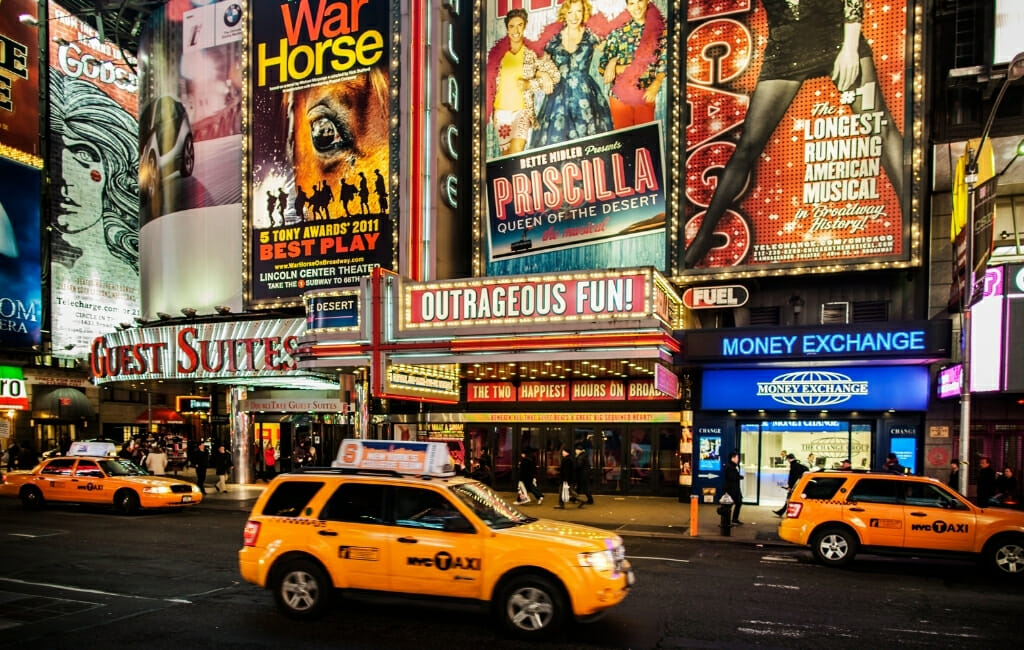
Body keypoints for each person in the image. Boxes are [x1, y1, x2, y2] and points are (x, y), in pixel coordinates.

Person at [683, 0, 905, 268]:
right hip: (787, 49)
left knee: (881, 128)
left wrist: (849, 47)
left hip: (836, 36)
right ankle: (703, 236)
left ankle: (911, 215)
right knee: (747, 146)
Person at [530, 0, 613, 149]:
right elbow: (534, 66)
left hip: (585, 97)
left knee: (590, 146)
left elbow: (614, 48)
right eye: (570, 12)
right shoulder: (553, 39)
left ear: (584, 12)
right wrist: (544, 74)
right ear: (564, 14)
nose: (574, 17)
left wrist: (612, 63)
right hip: (557, 100)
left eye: (578, 11)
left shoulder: (591, 35)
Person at [487, 8, 560, 155]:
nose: (516, 30)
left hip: (522, 111)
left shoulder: (533, 52)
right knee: (507, 158)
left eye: (520, 25)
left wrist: (533, 81)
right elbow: (487, 82)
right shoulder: (497, 54)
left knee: (516, 152)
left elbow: (555, 75)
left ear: (525, 26)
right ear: (507, 28)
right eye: (512, 26)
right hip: (501, 113)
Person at [598, 0, 667, 129]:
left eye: (639, 1)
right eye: (632, 3)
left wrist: (657, 83)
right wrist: (614, 65)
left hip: (645, 92)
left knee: (645, 142)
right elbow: (603, 64)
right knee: (624, 142)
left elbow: (665, 58)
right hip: (619, 96)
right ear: (627, 5)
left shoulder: (660, 27)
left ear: (647, 1)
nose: (636, 7)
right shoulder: (619, 30)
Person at [723, 451, 744, 525]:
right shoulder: (730, 467)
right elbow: (731, 477)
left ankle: (734, 519)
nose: (738, 459)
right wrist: (740, 477)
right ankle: (726, 521)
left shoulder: (735, 466)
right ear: (733, 458)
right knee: (729, 505)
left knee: (739, 503)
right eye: (737, 457)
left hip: (736, 489)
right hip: (731, 489)